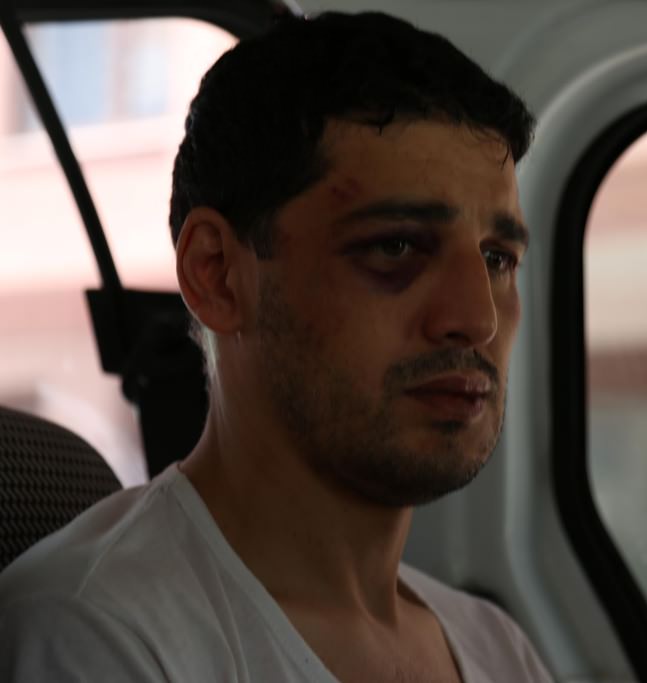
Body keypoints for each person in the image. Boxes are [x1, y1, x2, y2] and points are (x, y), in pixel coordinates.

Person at [0, 11, 552, 682]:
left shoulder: (497, 647)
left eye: (497, 259)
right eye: (395, 246)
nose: (477, 318)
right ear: (218, 275)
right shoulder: (95, 633)